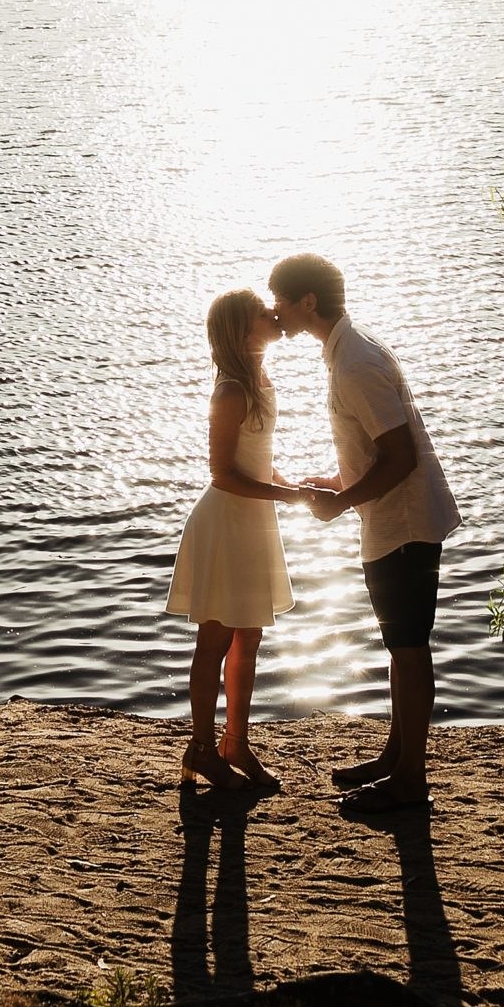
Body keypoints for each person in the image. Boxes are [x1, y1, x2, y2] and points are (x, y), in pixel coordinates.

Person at [268, 253, 460, 816]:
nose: (274, 308)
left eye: (280, 298)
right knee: (402, 646)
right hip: (391, 518)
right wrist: (338, 480)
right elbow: (379, 450)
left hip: (404, 523)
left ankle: (409, 780)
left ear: (308, 302)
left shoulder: (354, 361)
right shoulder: (348, 351)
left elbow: (400, 457)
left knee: (408, 648)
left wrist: (341, 502)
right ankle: (396, 758)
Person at [166, 286, 314, 791]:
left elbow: (257, 456)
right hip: (227, 522)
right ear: (240, 329)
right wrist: (286, 497)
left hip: (253, 520)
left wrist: (292, 485)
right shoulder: (230, 390)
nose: (273, 313)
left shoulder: (260, 379)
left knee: (249, 635)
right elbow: (223, 475)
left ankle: (236, 742)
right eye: (260, 312)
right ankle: (203, 748)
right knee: (216, 637)